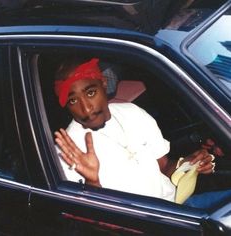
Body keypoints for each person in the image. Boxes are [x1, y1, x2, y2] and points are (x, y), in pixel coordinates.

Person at [54, 57, 230, 208]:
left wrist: (188, 164)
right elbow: (93, 221)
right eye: (73, 100)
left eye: (91, 93)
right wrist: (92, 183)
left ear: (104, 84)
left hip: (178, 205)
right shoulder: (68, 151)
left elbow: (163, 168)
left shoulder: (131, 112)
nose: (86, 108)